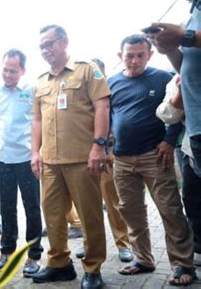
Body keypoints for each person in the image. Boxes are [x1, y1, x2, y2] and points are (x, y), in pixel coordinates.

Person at [108, 34, 195, 286]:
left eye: (140, 55)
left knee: (170, 210)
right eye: (129, 55)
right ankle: (143, 259)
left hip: (155, 156)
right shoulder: (112, 83)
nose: (134, 60)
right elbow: (109, 116)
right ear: (120, 56)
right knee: (131, 211)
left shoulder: (162, 78)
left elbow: (178, 111)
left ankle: (182, 265)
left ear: (149, 55)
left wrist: (169, 140)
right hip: (122, 159)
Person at [30, 24, 109, 289]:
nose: (45, 50)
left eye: (49, 44)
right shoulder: (41, 81)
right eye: (41, 46)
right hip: (50, 162)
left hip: (81, 159)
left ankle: (93, 268)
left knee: (89, 216)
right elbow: (37, 119)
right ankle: (59, 264)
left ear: (64, 42)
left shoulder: (87, 70)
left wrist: (98, 146)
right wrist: (35, 153)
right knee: (52, 215)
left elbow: (102, 106)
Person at [74, 58, 133, 264]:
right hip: (83, 156)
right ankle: (89, 244)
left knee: (113, 203)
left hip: (107, 155)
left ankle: (123, 244)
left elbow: (117, 121)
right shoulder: (81, 94)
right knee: (87, 205)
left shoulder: (111, 93)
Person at [0, 48, 43, 277]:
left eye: (13, 71)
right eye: (5, 70)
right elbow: (0, 121)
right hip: (3, 158)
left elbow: (36, 121)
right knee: (7, 207)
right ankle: (7, 251)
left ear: (22, 70)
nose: (8, 74)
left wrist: (36, 152)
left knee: (32, 207)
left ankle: (33, 255)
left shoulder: (31, 90)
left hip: (26, 158)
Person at [147, 0, 201, 179]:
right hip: (196, 126)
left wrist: (185, 37)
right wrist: (168, 48)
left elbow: (188, 39)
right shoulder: (191, 16)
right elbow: (185, 69)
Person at [156, 74, 201, 267]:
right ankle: (199, 246)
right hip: (191, 147)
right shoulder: (179, 77)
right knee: (193, 198)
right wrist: (183, 89)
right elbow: (167, 115)